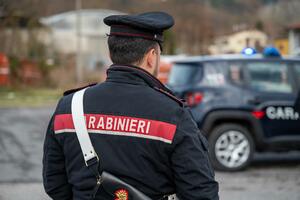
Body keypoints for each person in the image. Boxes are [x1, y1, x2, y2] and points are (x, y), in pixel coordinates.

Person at [43, 11, 219, 200]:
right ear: (152, 56)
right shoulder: (173, 114)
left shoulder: (69, 107)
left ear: (111, 53)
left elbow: (54, 184)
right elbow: (201, 193)